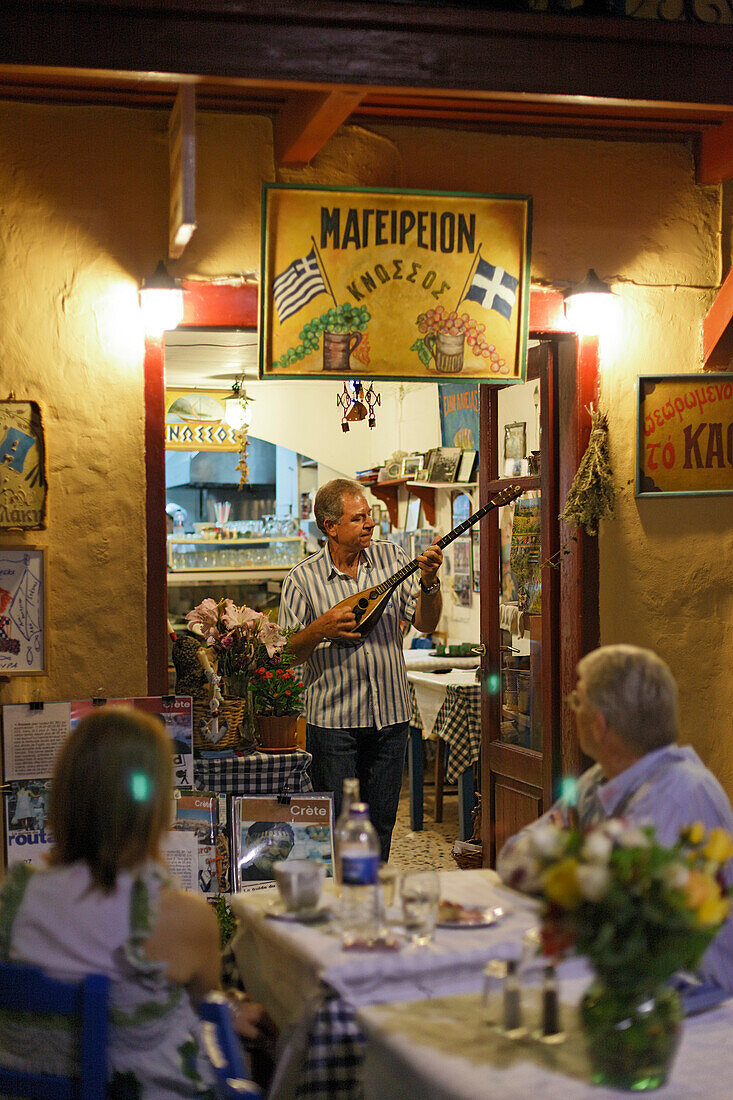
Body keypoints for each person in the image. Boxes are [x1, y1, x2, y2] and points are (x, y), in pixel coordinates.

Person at [0, 706, 275, 1096]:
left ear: (62, 794)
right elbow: (205, 1000)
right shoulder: (183, 917)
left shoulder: (10, 899)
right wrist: (232, 1007)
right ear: (162, 804)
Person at [498, 644, 733, 992]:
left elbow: (612, 910)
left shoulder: (676, 795)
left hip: (691, 1004)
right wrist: (578, 865)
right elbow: (512, 857)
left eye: (576, 702)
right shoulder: (601, 779)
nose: (571, 711)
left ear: (599, 724)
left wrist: (565, 854)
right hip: (625, 981)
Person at [279, 477, 443, 861]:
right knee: (339, 828)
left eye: (369, 515)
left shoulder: (393, 558)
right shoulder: (301, 580)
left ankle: (372, 905)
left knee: (381, 824)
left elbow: (425, 624)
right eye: (359, 518)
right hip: (334, 724)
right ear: (330, 527)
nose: (370, 524)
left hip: (390, 717)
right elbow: (284, 653)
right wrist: (320, 629)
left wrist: (430, 583)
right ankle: (340, 910)